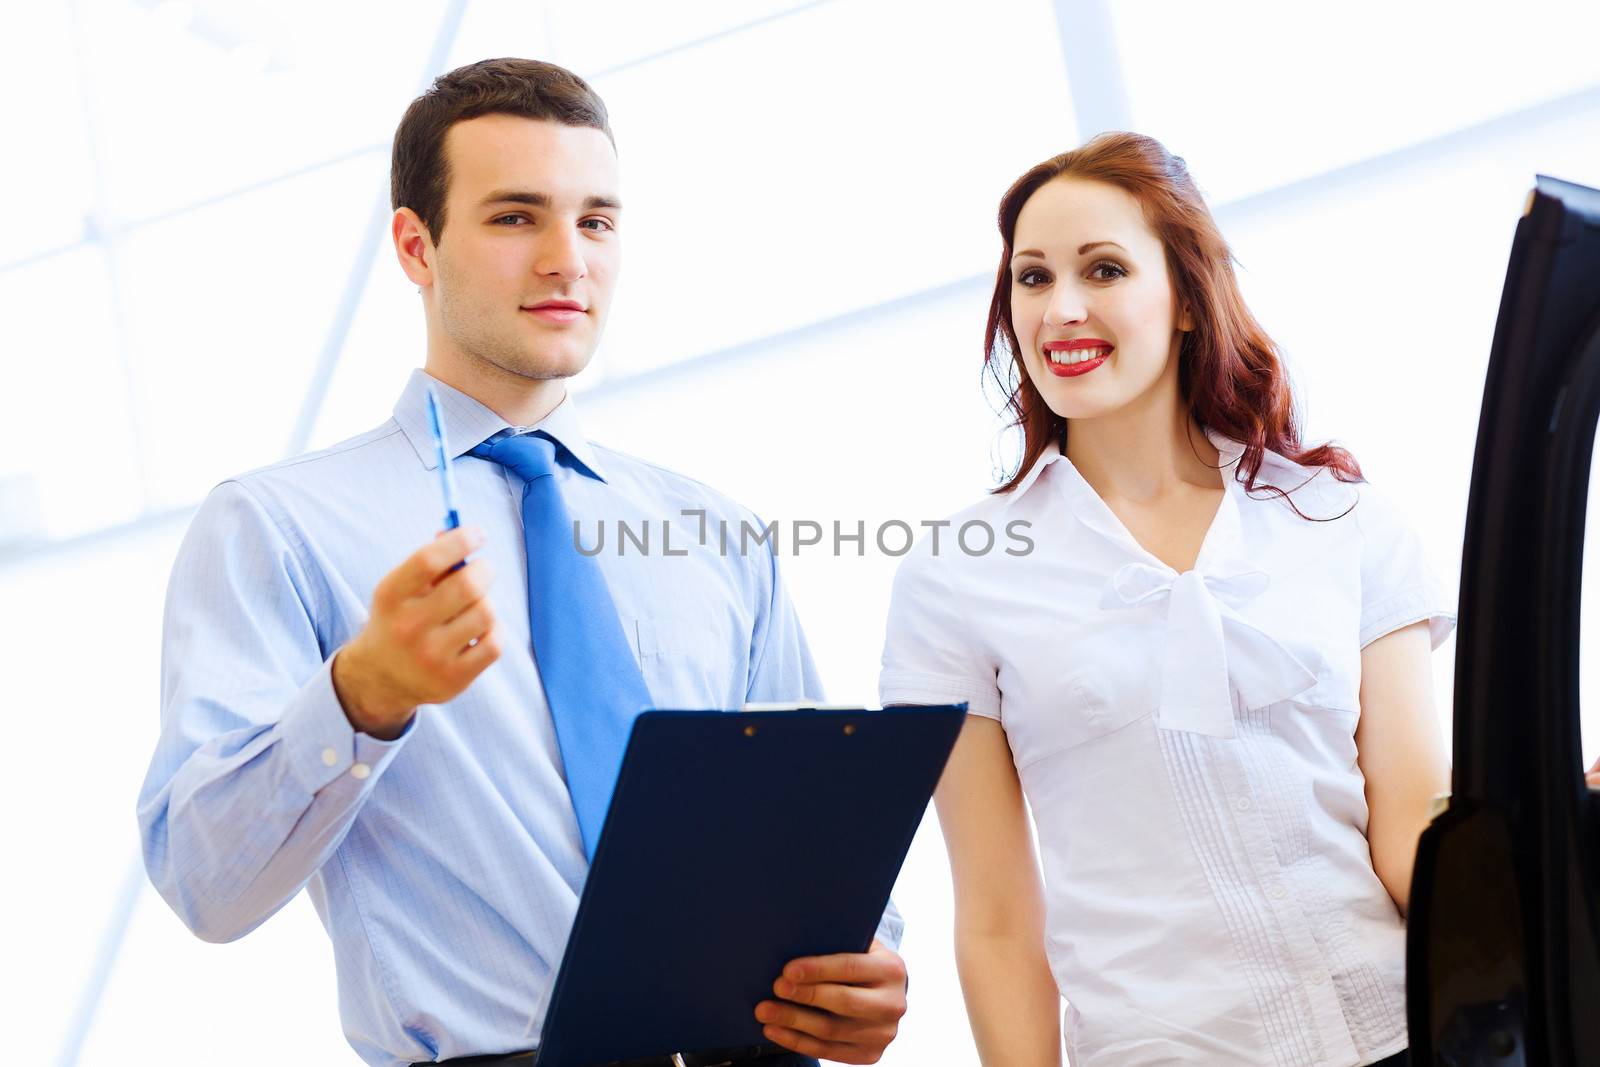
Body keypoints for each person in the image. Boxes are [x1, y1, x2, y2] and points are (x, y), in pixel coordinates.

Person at [138, 57, 906, 1067]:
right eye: (514, 217)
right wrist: (362, 693)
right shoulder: (279, 526)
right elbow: (207, 882)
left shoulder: (713, 531)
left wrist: (864, 967)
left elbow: (807, 830)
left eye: (595, 220)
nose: (566, 261)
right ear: (417, 244)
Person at [878, 132, 1454, 1066]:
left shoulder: (1339, 519)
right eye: (1032, 278)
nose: (1061, 308)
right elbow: (995, 920)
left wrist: (1547, 843)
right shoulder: (957, 574)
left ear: (1186, 297)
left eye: (1103, 269)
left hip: (1407, 1030)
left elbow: (1412, 828)